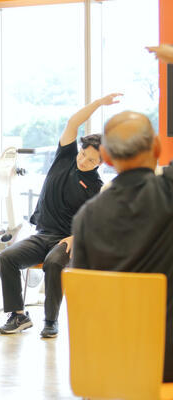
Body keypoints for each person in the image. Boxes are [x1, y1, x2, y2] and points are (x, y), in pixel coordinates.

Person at [0, 93, 122, 338]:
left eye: (91, 160)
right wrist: (97, 104)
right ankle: (18, 315)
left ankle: (50, 321)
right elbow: (73, 123)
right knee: (7, 258)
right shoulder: (65, 157)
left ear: (101, 163)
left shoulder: (96, 186)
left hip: (66, 239)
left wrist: (76, 239)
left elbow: (95, 223)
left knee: (54, 263)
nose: (84, 160)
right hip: (42, 234)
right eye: (83, 154)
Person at [72, 110, 173, 382]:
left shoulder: (86, 218)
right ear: (157, 147)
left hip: (112, 367)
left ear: (104, 157)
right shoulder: (169, 191)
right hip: (168, 363)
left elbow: (84, 298)